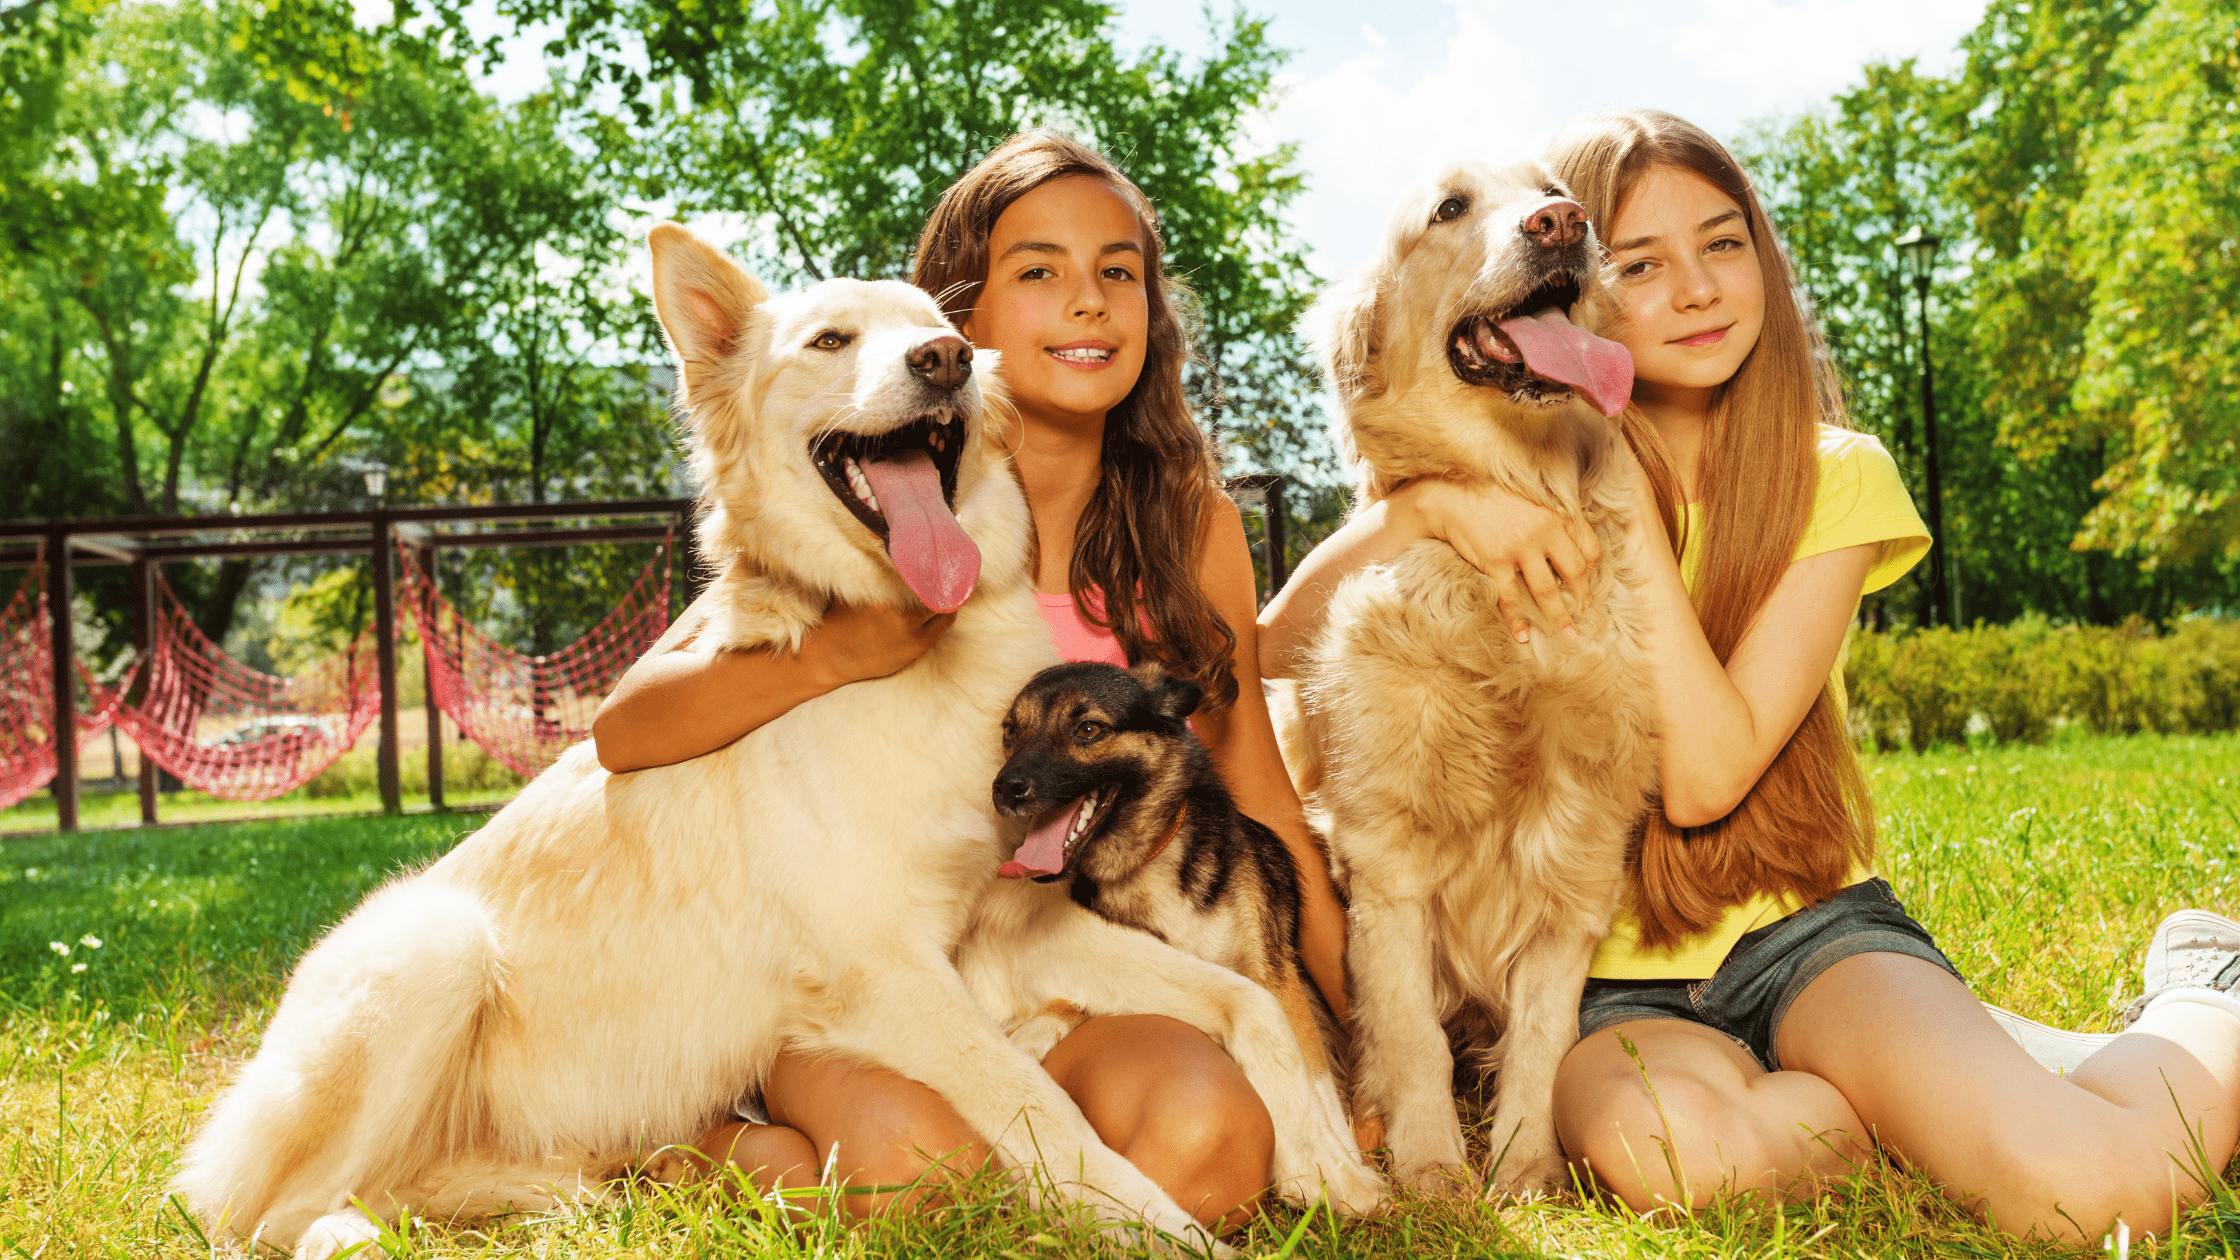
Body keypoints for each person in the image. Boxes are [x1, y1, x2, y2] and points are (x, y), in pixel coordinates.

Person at [1257, 108, 2240, 1240]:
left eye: (1724, 245)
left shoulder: (1827, 476)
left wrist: (1608, 487)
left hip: (1802, 937)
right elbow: (1276, 645)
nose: (1694, 289)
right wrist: (1430, 501)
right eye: (1638, 262)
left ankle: (2204, 997)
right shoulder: (1502, 457)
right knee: (1669, 1158)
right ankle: (1928, 1084)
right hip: (1610, 995)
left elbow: (1701, 776)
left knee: (2092, 1196)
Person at [591, 130, 1348, 1233]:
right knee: (919, 1176)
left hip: (1067, 962)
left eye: (1117, 274)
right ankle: (713, 1140)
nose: (1086, 303)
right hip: (865, 977)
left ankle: (855, 1150)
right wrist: (846, 648)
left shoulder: (1192, 527)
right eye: (1036, 272)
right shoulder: (852, 517)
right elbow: (626, 729)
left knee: (1209, 1152)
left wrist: (1341, 1046)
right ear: (959, 330)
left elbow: (1260, 801)